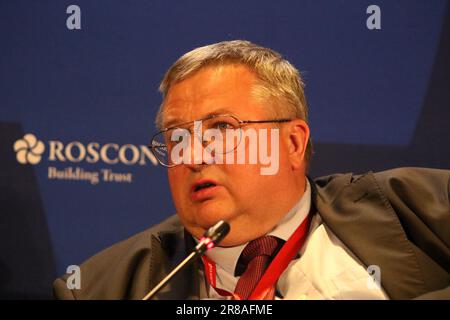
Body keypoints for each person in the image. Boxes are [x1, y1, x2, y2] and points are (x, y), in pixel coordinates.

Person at [53, 40, 450, 300]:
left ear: (293, 144)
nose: (193, 156)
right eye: (177, 138)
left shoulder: (416, 208)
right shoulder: (100, 288)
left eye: (222, 129)